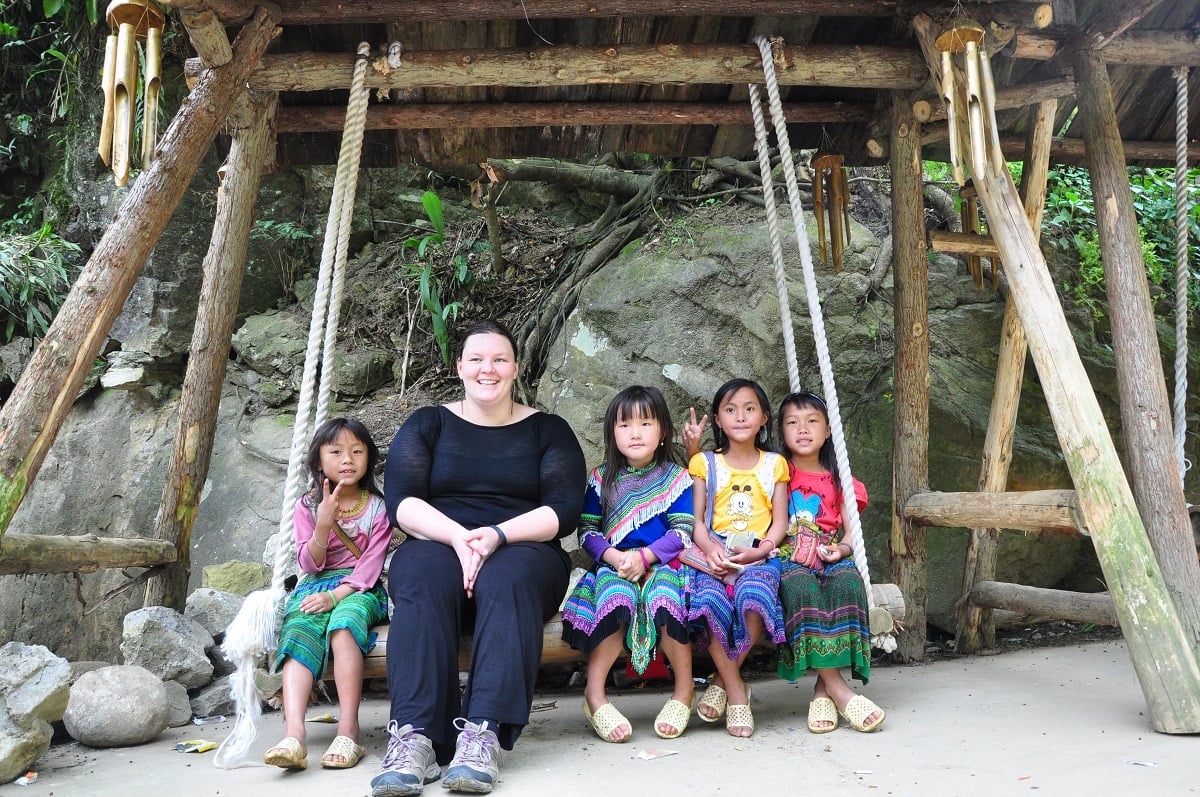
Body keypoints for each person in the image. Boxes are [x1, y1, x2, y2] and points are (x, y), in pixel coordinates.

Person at [372, 319, 586, 797]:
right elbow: (402, 501)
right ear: (460, 366)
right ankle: (416, 737)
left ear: (514, 367)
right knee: (421, 573)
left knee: (508, 576)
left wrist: (495, 535)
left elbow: (564, 509)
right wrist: (460, 538)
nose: (487, 369)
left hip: (525, 547)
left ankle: (482, 734)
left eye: (499, 359)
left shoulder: (547, 430)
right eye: (476, 358)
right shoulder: (429, 424)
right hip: (439, 542)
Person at [561, 386, 695, 744]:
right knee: (615, 597)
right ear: (612, 432)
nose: (635, 433)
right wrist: (616, 557)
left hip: (662, 564)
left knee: (665, 594)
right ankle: (595, 694)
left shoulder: (676, 478)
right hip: (614, 566)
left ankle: (684, 691)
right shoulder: (600, 479)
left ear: (663, 430)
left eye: (646, 423)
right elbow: (587, 530)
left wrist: (645, 557)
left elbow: (683, 531)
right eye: (624, 425)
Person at [263, 417, 391, 772]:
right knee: (300, 630)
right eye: (336, 452)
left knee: (344, 625)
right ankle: (294, 735)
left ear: (368, 459)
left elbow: (371, 566)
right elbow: (309, 562)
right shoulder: (306, 505)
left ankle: (348, 730)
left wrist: (336, 597)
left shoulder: (378, 508)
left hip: (359, 589)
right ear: (320, 461)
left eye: (356, 451)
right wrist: (322, 522)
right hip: (315, 583)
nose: (347, 459)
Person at [680, 378, 788, 738]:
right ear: (718, 420)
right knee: (709, 601)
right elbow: (695, 521)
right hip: (714, 549)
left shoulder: (775, 465)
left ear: (764, 418)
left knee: (754, 598)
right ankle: (737, 692)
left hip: (758, 552)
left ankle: (722, 681)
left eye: (749, 409)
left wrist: (761, 550)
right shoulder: (704, 463)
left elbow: (780, 522)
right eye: (730, 409)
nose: (740, 416)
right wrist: (710, 550)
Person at [775, 391, 885, 733]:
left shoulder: (842, 481)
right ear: (782, 432)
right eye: (793, 422)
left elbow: (851, 536)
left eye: (812, 422)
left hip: (830, 551)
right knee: (799, 585)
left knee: (848, 581)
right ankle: (838, 690)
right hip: (788, 555)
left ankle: (822, 693)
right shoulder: (776, 474)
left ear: (827, 432)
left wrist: (842, 551)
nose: (803, 429)